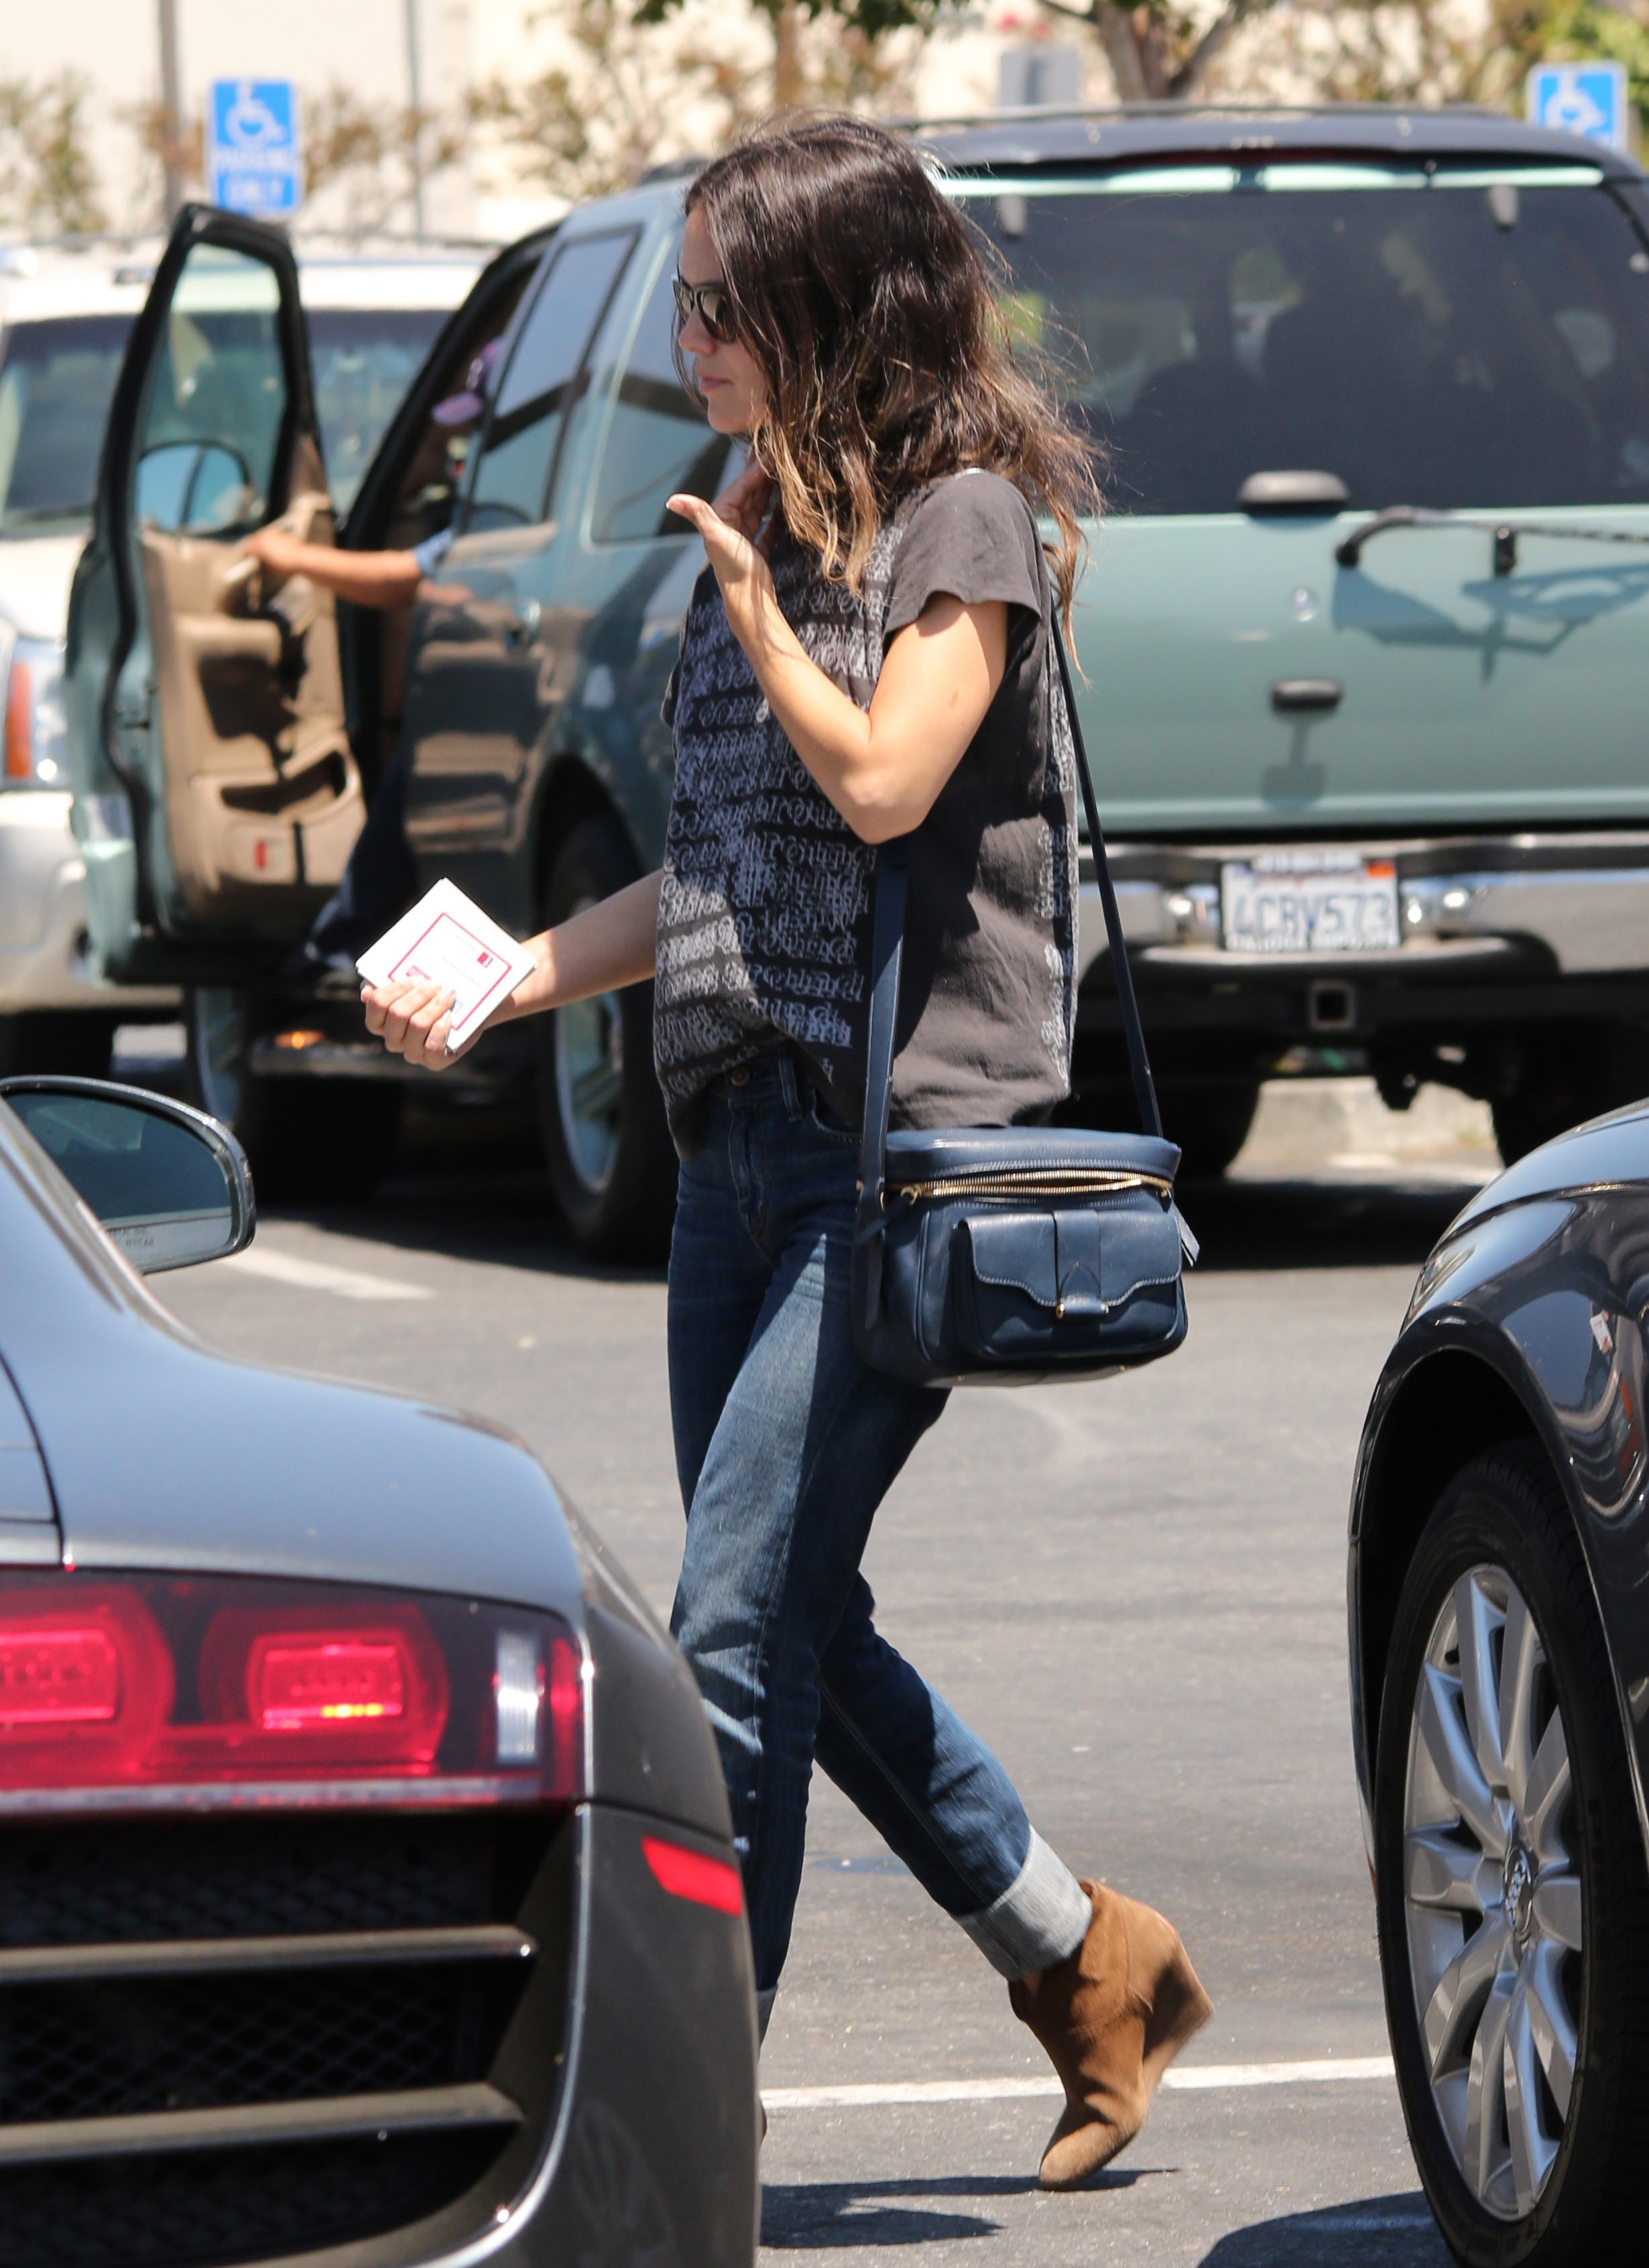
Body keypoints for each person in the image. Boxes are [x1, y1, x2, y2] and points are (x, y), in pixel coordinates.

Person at [362, 115, 1211, 2190]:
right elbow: (720, 869)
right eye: (687, 300)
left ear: (840, 306)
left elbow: (890, 780)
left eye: (724, 304)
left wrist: (752, 615)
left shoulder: (964, 525)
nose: (691, 338)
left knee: (728, 1629)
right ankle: (1083, 1953)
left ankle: (681, 2121)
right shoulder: (755, 515)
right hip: (734, 1141)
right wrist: (510, 976)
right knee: (787, 1615)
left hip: (886, 1160)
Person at [248, 341, 503, 981]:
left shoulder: (502, 510)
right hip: (480, 699)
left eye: (477, 427)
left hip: (488, 702)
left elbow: (404, 579)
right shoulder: (494, 499)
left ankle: (339, 946)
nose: (463, 446)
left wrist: (294, 559)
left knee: (412, 778)